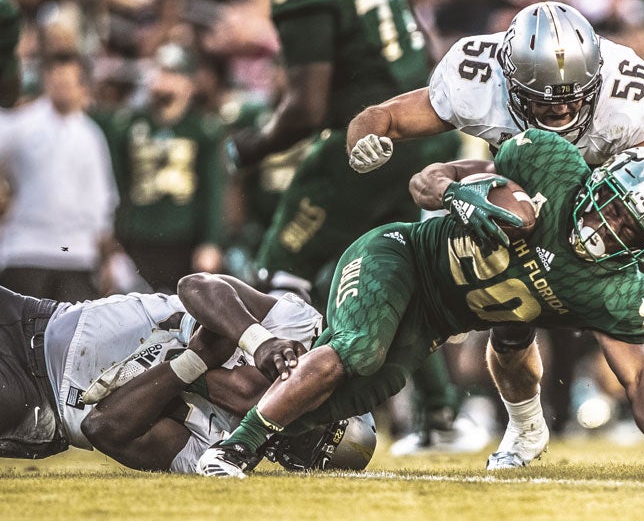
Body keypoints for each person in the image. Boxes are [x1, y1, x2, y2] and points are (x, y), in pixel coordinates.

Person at [196, 129, 644, 478]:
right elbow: (425, 180)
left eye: (631, 228)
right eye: (617, 209)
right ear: (602, 184)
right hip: (401, 259)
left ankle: (200, 388)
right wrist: (454, 193)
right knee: (359, 351)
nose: (612, 226)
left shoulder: (612, 288)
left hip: (436, 320)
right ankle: (232, 450)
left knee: (342, 405)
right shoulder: (548, 168)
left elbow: (639, 375)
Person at [346, 1, 644, 467]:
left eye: (574, 96)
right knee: (510, 321)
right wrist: (364, 140)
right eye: (544, 99)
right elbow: (384, 117)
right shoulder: (477, 75)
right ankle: (526, 426)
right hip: (523, 187)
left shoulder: (627, 94)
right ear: (509, 80)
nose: (561, 108)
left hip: (605, 193)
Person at [222, 0, 471, 454]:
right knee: (400, 274)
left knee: (279, 273)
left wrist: (246, 148)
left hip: (366, 137)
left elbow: (306, 110)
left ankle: (286, 416)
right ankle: (441, 414)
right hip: (423, 135)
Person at [0, 273, 375, 473]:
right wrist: (259, 341)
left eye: (308, 445)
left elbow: (104, 428)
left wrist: (191, 363)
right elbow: (197, 286)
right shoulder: (295, 332)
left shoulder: (220, 452)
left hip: (40, 399)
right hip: (43, 316)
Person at [105, 42, 226, 293]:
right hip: (138, 236)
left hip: (183, 238)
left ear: (189, 83)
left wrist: (211, 242)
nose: (162, 81)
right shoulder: (128, 125)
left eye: (172, 74)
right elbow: (116, 184)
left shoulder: (203, 129)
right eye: (159, 72)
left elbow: (213, 189)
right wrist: (113, 244)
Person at [0, 51, 118, 302]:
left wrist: (106, 258)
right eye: (55, 81)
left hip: (75, 253)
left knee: (72, 336)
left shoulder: (91, 135)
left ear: (82, 87)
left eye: (67, 82)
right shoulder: (22, 124)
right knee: (20, 335)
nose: (61, 88)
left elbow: (101, 200)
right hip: (26, 249)